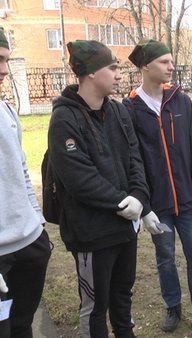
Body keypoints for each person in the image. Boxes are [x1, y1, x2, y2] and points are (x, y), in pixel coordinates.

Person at [122, 40, 192, 336]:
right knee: (165, 258)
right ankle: (173, 306)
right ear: (145, 66)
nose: (170, 67)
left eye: (171, 61)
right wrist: (143, 207)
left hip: (187, 199)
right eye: (164, 62)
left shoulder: (181, 100)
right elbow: (132, 160)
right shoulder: (129, 107)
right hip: (157, 204)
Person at [48, 40, 149, 337]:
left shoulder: (118, 112)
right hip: (92, 234)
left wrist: (139, 196)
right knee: (95, 305)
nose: (119, 74)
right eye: (113, 67)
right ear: (91, 72)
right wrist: (123, 202)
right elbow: (79, 179)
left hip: (126, 226)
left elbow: (135, 158)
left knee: (123, 295)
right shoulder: (64, 119)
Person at [0, 27, 52, 338]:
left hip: (30, 244)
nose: (4, 70)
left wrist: (38, 223)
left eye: (6, 60)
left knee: (22, 327)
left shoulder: (7, 110)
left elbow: (20, 168)